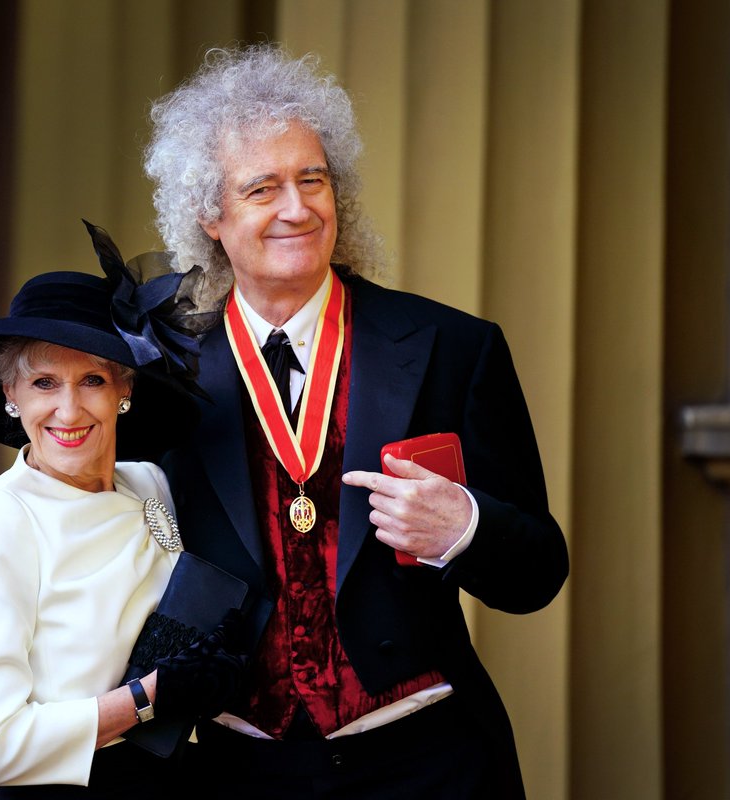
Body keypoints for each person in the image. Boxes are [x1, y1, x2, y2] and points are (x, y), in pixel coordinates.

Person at [146, 45, 570, 798]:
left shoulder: (453, 347)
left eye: (313, 179)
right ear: (210, 215)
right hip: (232, 772)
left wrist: (465, 528)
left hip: (427, 764)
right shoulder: (159, 374)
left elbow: (539, 570)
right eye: (262, 188)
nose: (297, 207)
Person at [0, 222, 246, 797]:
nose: (68, 411)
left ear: (124, 390)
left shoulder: (150, 483)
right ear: (11, 395)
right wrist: (146, 699)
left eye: (91, 380)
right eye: (44, 382)